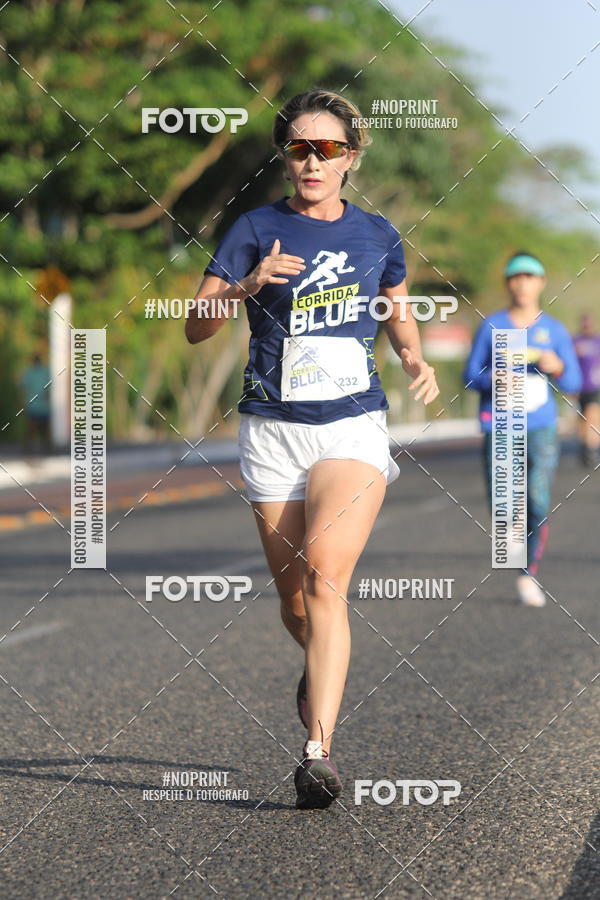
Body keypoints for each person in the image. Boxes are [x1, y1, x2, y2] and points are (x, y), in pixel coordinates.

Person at [185, 87, 439, 809]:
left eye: (327, 149)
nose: (312, 160)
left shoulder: (378, 235)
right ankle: (316, 659)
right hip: (272, 429)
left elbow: (395, 305)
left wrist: (414, 358)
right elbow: (195, 326)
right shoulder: (254, 228)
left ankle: (318, 751)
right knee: (296, 600)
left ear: (351, 158)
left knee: (327, 579)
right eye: (299, 147)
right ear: (285, 155)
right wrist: (244, 285)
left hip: (352, 425)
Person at [464, 251, 582, 607]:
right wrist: (492, 379)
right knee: (503, 504)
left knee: (537, 498)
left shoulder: (554, 329)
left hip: (541, 425)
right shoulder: (493, 326)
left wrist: (558, 365)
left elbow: (575, 379)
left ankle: (528, 572)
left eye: (531, 276)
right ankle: (511, 537)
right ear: (508, 284)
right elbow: (470, 376)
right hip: (500, 423)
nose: (523, 283)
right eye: (516, 276)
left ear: (541, 283)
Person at [572, 312, 600, 467]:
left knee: (593, 416)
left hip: (595, 386)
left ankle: (592, 450)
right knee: (583, 420)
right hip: (579, 387)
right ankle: (585, 446)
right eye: (585, 323)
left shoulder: (597, 341)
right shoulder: (575, 342)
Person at [20, 353, 51, 455]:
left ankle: (46, 447)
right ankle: (29, 447)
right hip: (33, 404)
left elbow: (49, 387)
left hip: (42, 405)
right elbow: (24, 387)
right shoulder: (29, 372)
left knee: (44, 427)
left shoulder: (45, 371)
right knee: (31, 427)